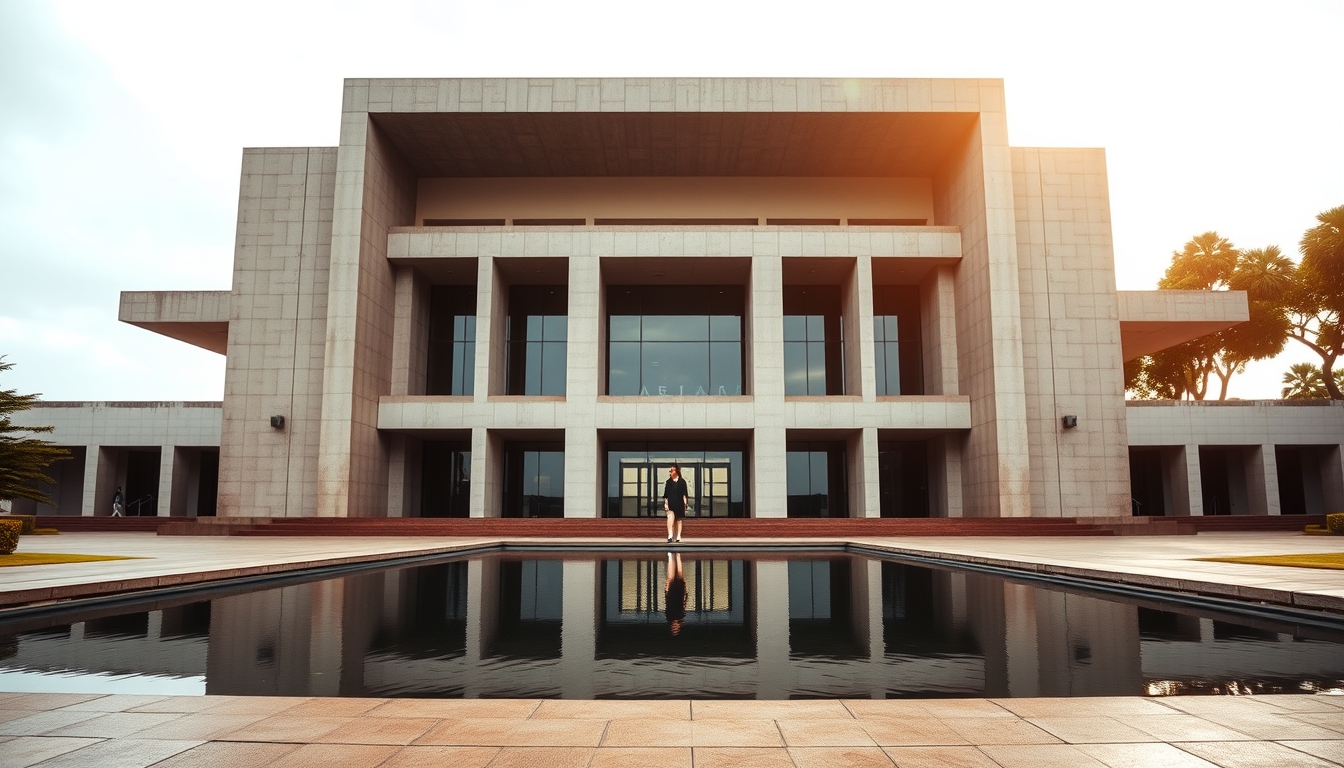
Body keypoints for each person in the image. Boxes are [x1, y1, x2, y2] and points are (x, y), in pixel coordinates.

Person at [662, 464, 689, 543]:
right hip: (671, 502)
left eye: (672, 470)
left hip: (680, 503)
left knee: (679, 520)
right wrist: (666, 504)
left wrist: (685, 504)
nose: (670, 472)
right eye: (670, 471)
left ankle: (678, 536)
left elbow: (684, 494)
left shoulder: (682, 482)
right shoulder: (668, 482)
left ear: (676, 471)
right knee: (670, 519)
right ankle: (670, 535)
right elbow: (666, 495)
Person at [665, 551, 687, 636]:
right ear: (678, 626)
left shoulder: (669, 617)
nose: (675, 626)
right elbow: (684, 605)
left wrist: (666, 590)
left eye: (673, 628)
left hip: (671, 596)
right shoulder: (681, 617)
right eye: (676, 628)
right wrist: (685, 593)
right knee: (680, 576)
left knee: (670, 578)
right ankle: (678, 555)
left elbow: (667, 604)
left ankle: (670, 557)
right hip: (679, 596)